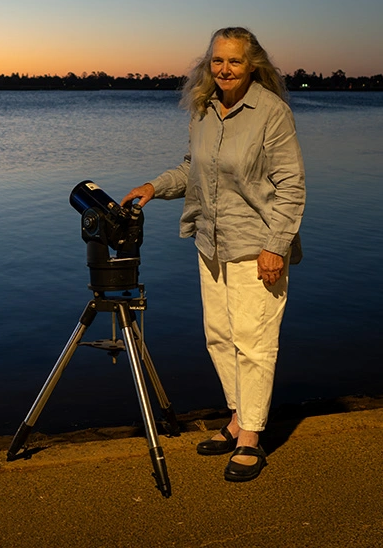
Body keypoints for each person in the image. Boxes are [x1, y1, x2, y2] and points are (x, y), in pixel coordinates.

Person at [122, 26, 305, 482]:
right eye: (217, 60)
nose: (224, 69)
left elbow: (292, 185)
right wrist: (154, 187)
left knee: (255, 344)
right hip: (211, 244)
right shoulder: (204, 110)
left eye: (234, 61)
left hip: (256, 248)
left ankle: (251, 438)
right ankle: (238, 418)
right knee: (220, 338)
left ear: (253, 64)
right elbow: (193, 168)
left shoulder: (271, 112)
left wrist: (274, 246)